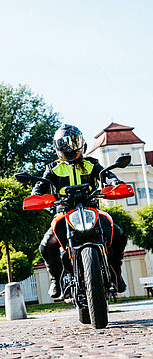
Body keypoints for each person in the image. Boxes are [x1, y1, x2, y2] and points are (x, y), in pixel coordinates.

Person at [32, 124, 127, 298]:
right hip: (64, 213)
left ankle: (116, 272)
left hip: (91, 209)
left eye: (73, 142)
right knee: (46, 245)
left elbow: (106, 175)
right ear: (58, 146)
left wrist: (115, 183)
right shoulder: (52, 168)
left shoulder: (91, 164)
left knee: (118, 234)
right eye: (65, 143)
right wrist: (36, 195)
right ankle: (55, 278)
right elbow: (41, 186)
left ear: (81, 143)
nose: (69, 146)